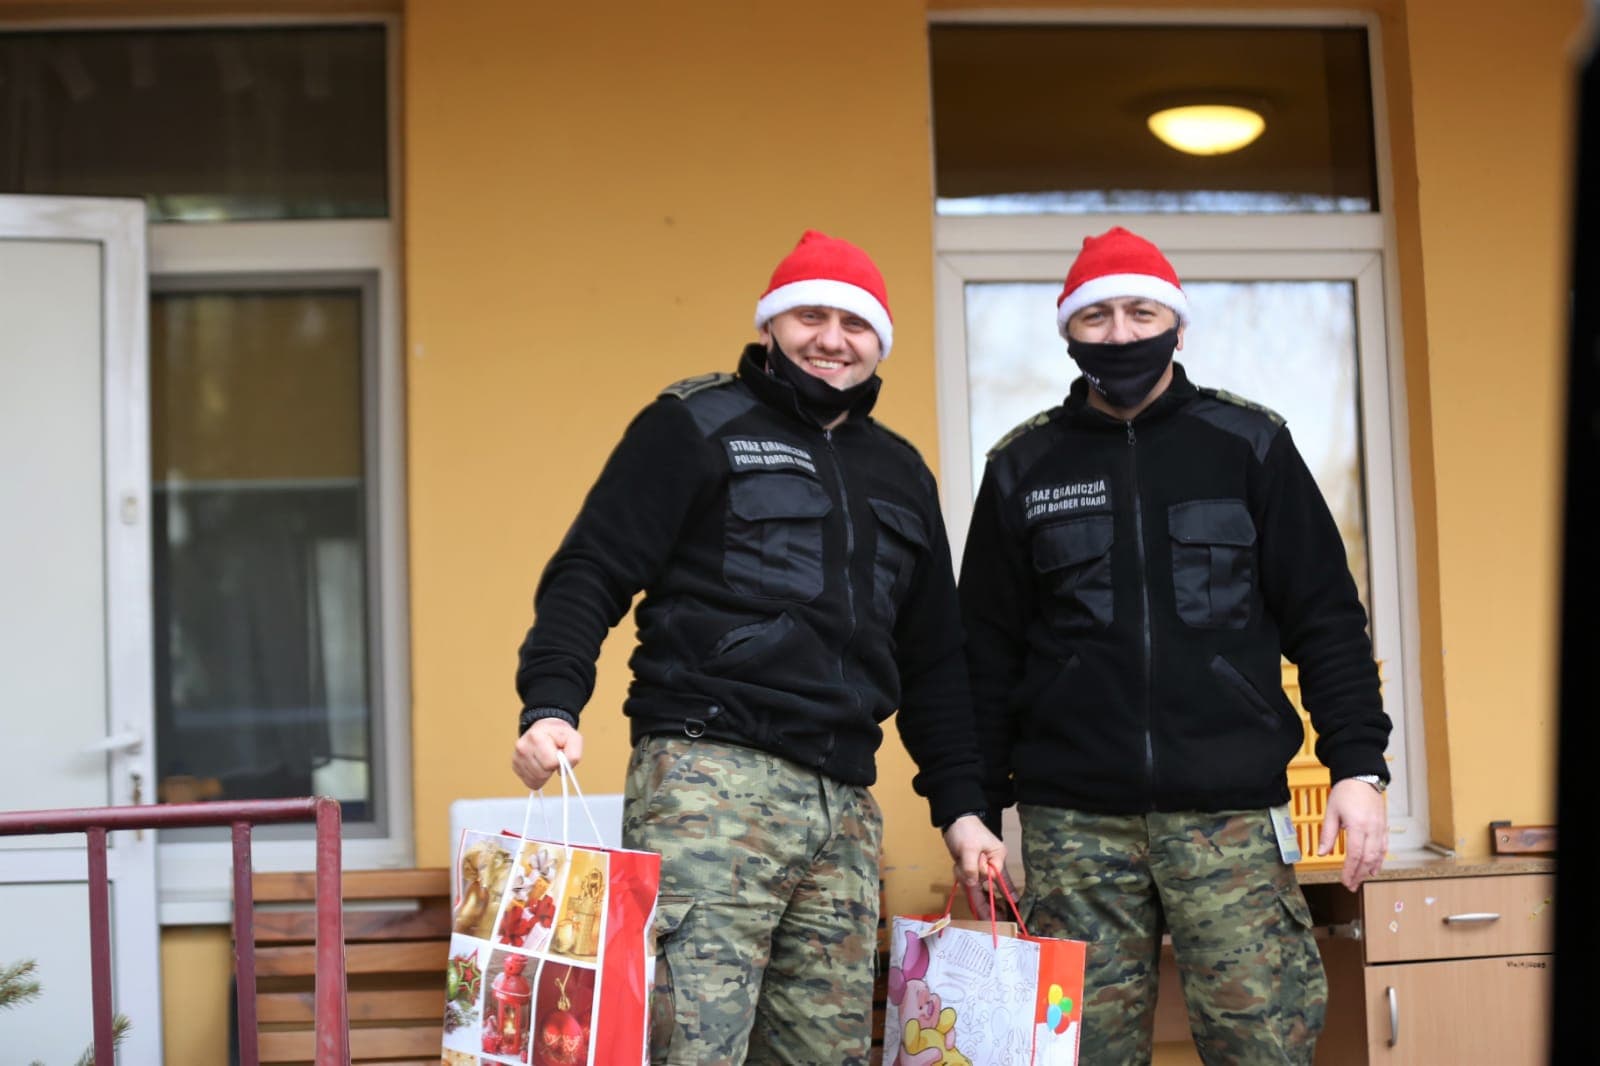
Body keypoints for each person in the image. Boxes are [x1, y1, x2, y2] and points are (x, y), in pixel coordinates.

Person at [511, 229, 1006, 1065]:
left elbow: (934, 662)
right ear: (770, 324)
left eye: (855, 323)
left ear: (879, 343)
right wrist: (552, 703)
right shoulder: (693, 424)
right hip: (708, 783)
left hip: (844, 807)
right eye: (810, 316)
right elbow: (591, 569)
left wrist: (964, 809)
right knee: (691, 1048)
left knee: (826, 1054)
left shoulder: (901, 473)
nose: (831, 339)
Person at [959, 226, 1391, 1065]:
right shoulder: (1023, 466)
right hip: (1073, 828)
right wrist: (973, 807)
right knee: (1077, 1054)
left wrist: (1358, 767)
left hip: (1230, 817)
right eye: (1097, 317)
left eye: (1141, 312)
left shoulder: (1249, 446)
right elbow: (985, 654)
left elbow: (1328, 619)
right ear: (1068, 332)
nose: (1121, 333)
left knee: (1263, 1047)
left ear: (1178, 327)